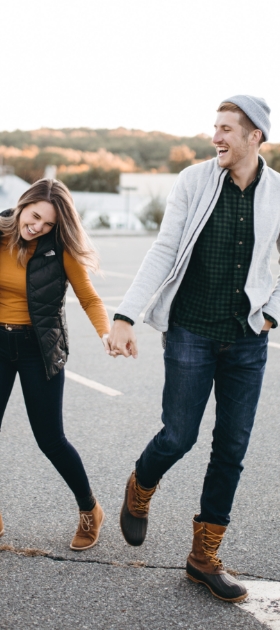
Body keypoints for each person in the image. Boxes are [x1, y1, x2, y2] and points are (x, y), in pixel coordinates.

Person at [107, 95, 280, 602]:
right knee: (179, 435)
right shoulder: (193, 180)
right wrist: (125, 315)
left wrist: (272, 311)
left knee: (232, 447)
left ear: (255, 137)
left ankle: (203, 558)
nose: (216, 137)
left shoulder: (277, 192)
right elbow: (164, 248)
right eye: (215, 127)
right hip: (191, 330)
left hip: (248, 337)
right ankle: (140, 485)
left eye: (227, 129)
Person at [0, 178, 110, 551]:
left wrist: (107, 333)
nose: (38, 228)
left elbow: (90, 299)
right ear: (22, 204)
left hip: (38, 348)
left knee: (50, 439)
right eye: (34, 217)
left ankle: (89, 509)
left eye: (47, 224)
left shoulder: (59, 248)